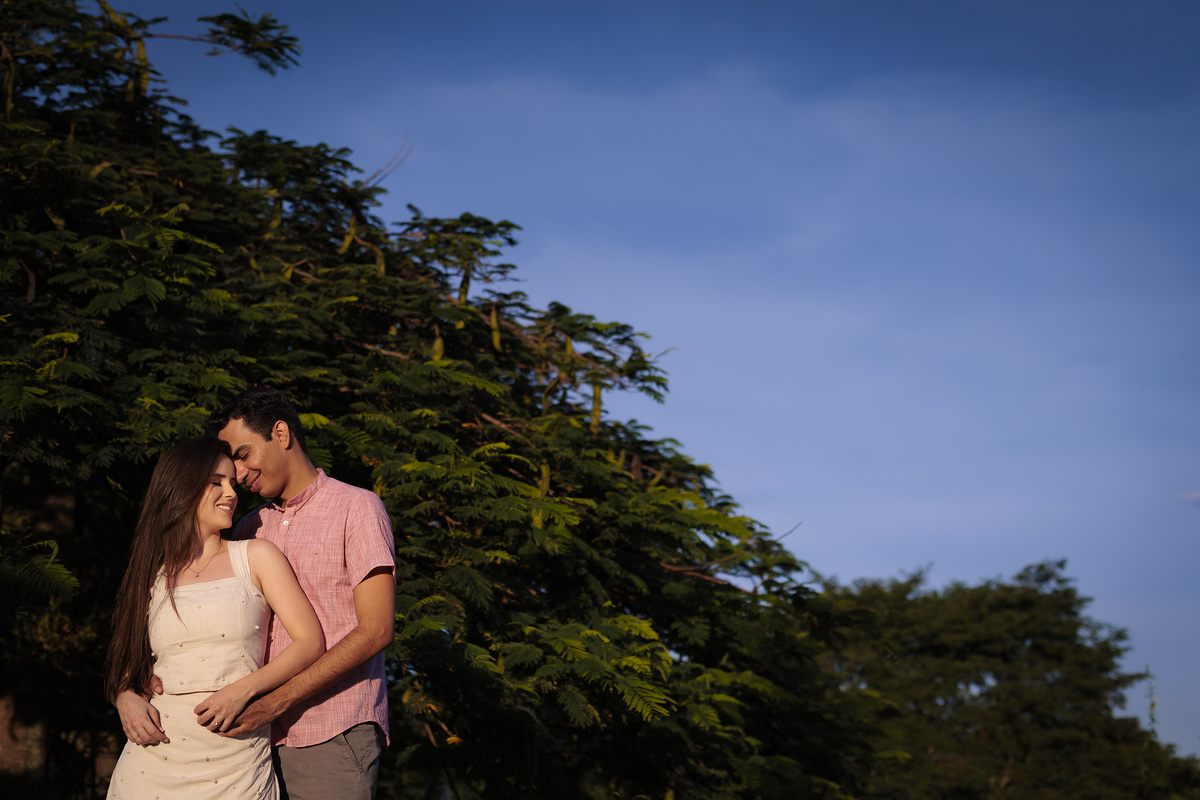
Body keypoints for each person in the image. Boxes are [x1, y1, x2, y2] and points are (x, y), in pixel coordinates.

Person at [117, 387, 398, 799]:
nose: (240, 476)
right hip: (244, 740)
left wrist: (273, 702)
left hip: (327, 727)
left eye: (244, 455)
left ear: (280, 434)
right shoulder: (248, 528)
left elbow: (375, 631)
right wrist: (132, 688)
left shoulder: (356, 508)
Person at [105, 437, 325, 800]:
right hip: (153, 760)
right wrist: (123, 697)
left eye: (232, 484)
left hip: (236, 758)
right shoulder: (151, 573)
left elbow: (310, 641)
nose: (231, 493)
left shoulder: (256, 556)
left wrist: (244, 690)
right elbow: (131, 659)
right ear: (181, 487)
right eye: (216, 482)